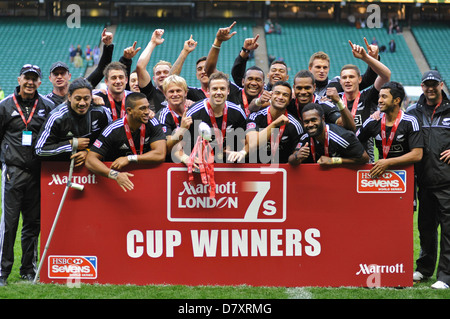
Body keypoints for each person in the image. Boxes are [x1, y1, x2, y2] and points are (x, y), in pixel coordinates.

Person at [0, 64, 54, 286]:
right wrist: (4, 165)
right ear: (19, 79)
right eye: (27, 78)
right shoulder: (4, 106)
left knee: (32, 224)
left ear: (40, 82)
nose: (30, 82)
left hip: (37, 173)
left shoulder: (47, 106)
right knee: (9, 225)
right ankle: (2, 273)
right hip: (13, 172)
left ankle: (28, 271)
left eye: (35, 79)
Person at [407, 70, 450, 289]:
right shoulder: (413, 110)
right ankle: (424, 269)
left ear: (441, 84)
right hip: (423, 181)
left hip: (447, 182)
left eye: (434, 84)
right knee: (426, 229)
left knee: (448, 231)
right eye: (426, 85)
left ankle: (445, 276)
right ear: (421, 86)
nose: (430, 88)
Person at [85, 92, 166, 192]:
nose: (147, 112)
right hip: (115, 184)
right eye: (142, 108)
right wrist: (114, 175)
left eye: (148, 107)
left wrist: (129, 158)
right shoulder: (113, 130)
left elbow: (160, 154)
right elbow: (90, 160)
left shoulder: (152, 123)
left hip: (145, 179)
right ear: (129, 110)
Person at [35, 78, 113, 166]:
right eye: (78, 98)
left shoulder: (101, 112)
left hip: (94, 170)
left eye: (86, 98)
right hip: (61, 172)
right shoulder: (57, 117)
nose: (82, 103)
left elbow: (109, 142)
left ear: (91, 97)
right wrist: (71, 144)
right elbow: (40, 150)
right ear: (69, 97)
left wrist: (89, 152)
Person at [337, 39, 392, 162]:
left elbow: (386, 75)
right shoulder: (334, 101)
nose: (347, 80)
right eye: (344, 77)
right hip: (340, 162)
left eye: (351, 77)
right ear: (340, 81)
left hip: (365, 162)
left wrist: (366, 57)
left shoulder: (368, 96)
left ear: (360, 80)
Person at [175, 71, 247, 165]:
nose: (218, 92)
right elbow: (175, 145)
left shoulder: (237, 113)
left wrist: (241, 152)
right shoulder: (193, 113)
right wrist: (185, 158)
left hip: (227, 166)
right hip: (198, 166)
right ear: (208, 90)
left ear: (228, 91)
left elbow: (246, 142)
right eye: (215, 89)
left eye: (222, 88)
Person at [356, 81, 423, 178]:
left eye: (384, 97)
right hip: (380, 175)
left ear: (396, 100)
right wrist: (365, 158)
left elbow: (417, 154)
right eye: (379, 96)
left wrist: (388, 162)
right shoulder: (373, 120)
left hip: (405, 176)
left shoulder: (411, 122)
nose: (379, 100)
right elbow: (355, 142)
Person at [205, 22, 265, 116]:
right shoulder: (233, 92)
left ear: (264, 84)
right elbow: (209, 71)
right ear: (242, 82)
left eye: (258, 80)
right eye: (250, 79)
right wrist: (218, 41)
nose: (253, 83)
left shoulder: (269, 99)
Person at [46, 29, 115, 106]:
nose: (59, 76)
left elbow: (101, 70)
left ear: (69, 76)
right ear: (50, 78)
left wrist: (107, 45)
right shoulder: (45, 102)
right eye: (56, 74)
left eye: (62, 73)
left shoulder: (80, 90)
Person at [289, 103, 369, 166]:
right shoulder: (306, 138)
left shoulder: (341, 136)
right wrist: (296, 156)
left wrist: (333, 161)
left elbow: (364, 158)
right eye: (306, 122)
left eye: (314, 120)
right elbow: (291, 160)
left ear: (323, 119)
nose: (310, 124)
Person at [245, 81, 303, 164]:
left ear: (289, 101)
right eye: (277, 93)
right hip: (255, 169)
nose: (280, 97)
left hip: (281, 172)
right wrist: (275, 124)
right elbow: (252, 143)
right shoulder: (255, 117)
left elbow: (296, 156)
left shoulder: (296, 125)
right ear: (270, 96)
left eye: (285, 95)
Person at [308, 38, 379, 98]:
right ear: (310, 68)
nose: (322, 71)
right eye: (318, 67)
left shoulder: (338, 83)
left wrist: (373, 58)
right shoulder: (303, 87)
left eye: (325, 67)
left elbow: (368, 79)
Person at [288, 69, 356, 132]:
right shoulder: (288, 103)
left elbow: (350, 127)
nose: (303, 92)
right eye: (299, 88)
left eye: (307, 88)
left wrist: (339, 102)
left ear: (314, 87)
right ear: (294, 88)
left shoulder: (324, 105)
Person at [156, 75, 193, 160]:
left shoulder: (193, 111)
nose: (175, 94)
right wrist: (182, 129)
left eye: (178, 91)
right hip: (171, 165)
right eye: (171, 91)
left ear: (185, 92)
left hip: (193, 159)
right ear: (165, 94)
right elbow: (166, 147)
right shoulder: (162, 116)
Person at [135, 29, 171, 113]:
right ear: (154, 79)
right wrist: (153, 43)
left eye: (166, 72)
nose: (162, 75)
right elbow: (140, 66)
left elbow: (197, 118)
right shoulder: (151, 93)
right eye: (158, 73)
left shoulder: (183, 93)